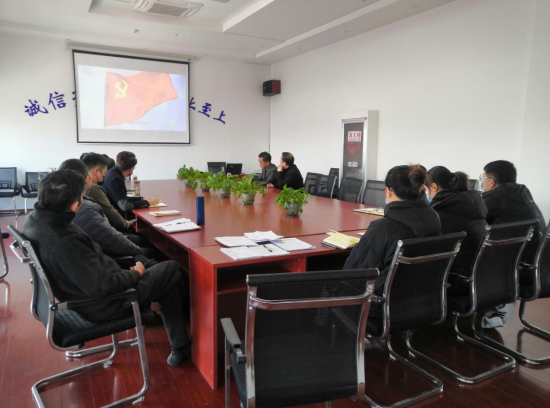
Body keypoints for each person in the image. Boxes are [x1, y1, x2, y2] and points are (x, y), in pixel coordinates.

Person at [23, 170, 192, 366]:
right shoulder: (65, 242)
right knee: (171, 268)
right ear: (75, 204)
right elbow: (102, 286)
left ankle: (181, 346)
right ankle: (184, 337)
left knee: (165, 281)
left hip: (85, 288)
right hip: (106, 302)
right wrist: (135, 274)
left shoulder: (34, 220)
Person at [344, 165, 441, 297]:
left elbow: (353, 273)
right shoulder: (434, 219)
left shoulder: (382, 228)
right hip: (424, 297)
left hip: (383, 301)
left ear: (388, 191)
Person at [479, 160, 546, 328]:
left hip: (513, 266)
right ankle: (494, 306)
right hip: (538, 265)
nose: (482, 182)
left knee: (469, 253)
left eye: (483, 178)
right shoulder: (524, 194)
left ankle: (495, 304)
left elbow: (475, 224)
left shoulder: (493, 198)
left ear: (491, 182)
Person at [59, 159, 151, 260]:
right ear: (87, 178)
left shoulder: (64, 202)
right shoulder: (87, 203)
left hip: (102, 249)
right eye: (104, 173)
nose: (104, 177)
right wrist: (140, 251)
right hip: (110, 255)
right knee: (153, 249)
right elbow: (111, 237)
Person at [426, 166, 487, 276]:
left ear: (434, 187)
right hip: (479, 270)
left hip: (454, 273)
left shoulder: (441, 214)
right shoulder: (470, 204)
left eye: (427, 190)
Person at [81, 153, 133, 232]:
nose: (103, 178)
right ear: (96, 171)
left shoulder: (78, 185)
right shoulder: (93, 189)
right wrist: (125, 223)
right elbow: (110, 213)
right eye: (104, 174)